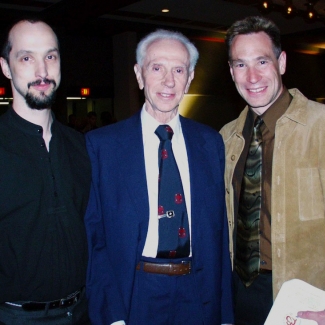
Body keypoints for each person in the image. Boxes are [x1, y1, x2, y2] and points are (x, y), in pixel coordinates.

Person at [85, 29, 234, 325]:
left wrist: (225, 313)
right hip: (136, 294)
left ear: (189, 78)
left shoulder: (210, 143)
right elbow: (95, 238)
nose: (169, 81)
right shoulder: (102, 146)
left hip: (199, 295)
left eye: (178, 70)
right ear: (139, 75)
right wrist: (112, 315)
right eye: (157, 68)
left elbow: (219, 234)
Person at [220, 15, 325, 325]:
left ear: (281, 62)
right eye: (241, 64)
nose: (252, 76)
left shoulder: (320, 128)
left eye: (262, 62)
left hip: (308, 297)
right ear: (231, 71)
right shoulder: (225, 139)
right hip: (240, 293)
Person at [0, 19, 91, 324]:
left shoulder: (81, 147)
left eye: (50, 57)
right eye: (27, 58)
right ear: (5, 67)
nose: (42, 71)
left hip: (80, 312)